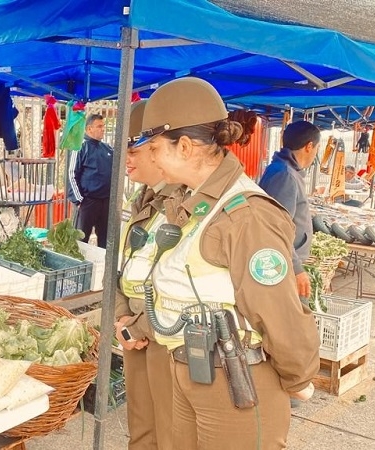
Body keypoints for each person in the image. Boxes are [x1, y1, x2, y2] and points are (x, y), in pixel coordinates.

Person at [132, 77, 319, 450]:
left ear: (184, 147)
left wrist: (298, 377)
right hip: (189, 366)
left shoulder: (245, 214)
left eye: (154, 148)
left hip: (235, 378)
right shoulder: (189, 202)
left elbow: (279, 314)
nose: (150, 159)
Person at [115, 99, 181, 450]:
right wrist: (121, 315)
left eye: (135, 149)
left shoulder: (184, 203)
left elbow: (177, 279)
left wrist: (135, 322)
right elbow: (126, 264)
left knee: (169, 431)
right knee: (141, 425)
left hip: (164, 332)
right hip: (135, 329)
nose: (127, 158)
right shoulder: (144, 197)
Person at [258, 120, 321, 300]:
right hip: (281, 266)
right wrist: (296, 268)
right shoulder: (285, 175)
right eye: (317, 148)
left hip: (284, 262)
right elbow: (276, 229)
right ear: (309, 146)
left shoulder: (286, 171)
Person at [67, 114, 114, 248]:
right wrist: (79, 200)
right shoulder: (80, 147)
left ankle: (104, 267)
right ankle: (78, 267)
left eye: (103, 126)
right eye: (99, 126)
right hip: (88, 201)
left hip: (106, 202)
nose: (103, 129)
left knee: (106, 241)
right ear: (89, 129)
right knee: (80, 241)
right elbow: (72, 174)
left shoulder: (108, 149)